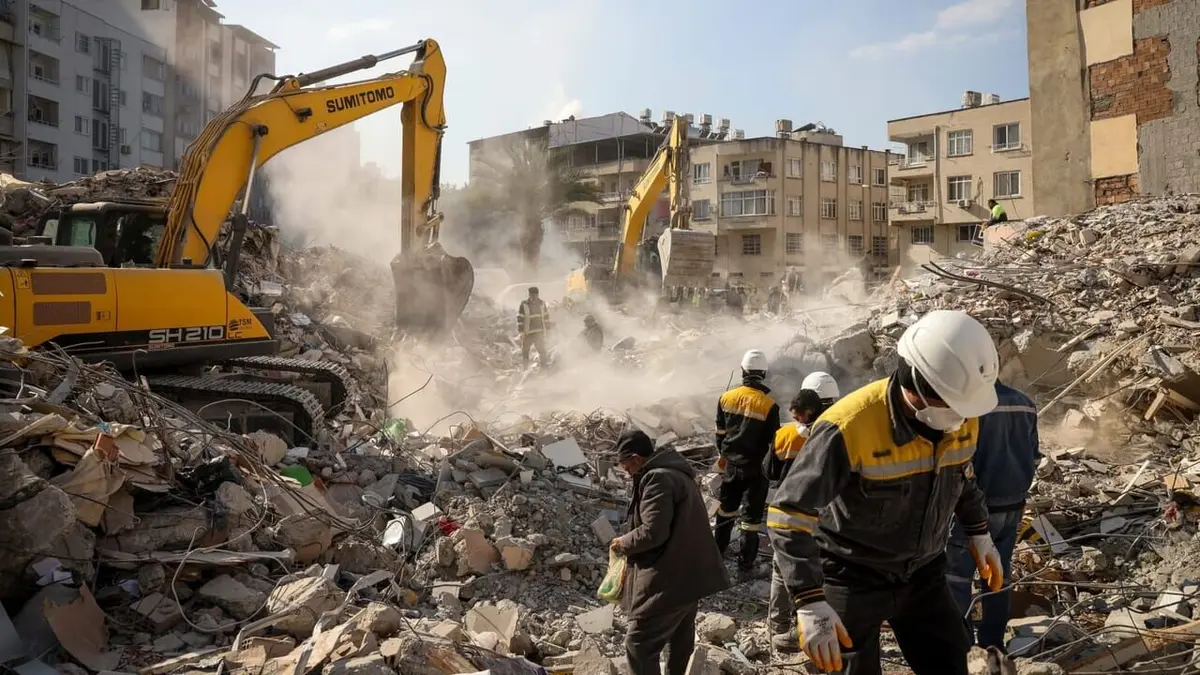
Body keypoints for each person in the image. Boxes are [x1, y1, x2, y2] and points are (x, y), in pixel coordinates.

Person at [767, 310, 1005, 675]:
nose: (961, 418)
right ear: (916, 386)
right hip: (852, 576)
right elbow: (787, 515)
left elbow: (961, 475)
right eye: (952, 406)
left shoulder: (963, 412)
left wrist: (979, 531)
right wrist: (809, 599)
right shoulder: (849, 427)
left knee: (953, 662)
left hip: (923, 574)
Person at [611, 429, 730, 675]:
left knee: (640, 646)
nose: (624, 470)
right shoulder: (676, 474)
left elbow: (654, 532)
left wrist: (623, 542)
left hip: (669, 578)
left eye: (625, 464)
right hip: (688, 577)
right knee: (679, 642)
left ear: (636, 458)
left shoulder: (658, 479)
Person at [946, 381, 1039, 649]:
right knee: (998, 574)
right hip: (1013, 504)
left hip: (974, 509)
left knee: (956, 577)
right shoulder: (1025, 402)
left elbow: (958, 462)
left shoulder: (970, 407)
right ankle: (993, 644)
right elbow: (1034, 456)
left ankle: (960, 648)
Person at [765, 372, 841, 654]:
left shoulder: (785, 434)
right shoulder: (840, 431)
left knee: (781, 570)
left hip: (788, 516)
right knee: (822, 574)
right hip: (826, 517)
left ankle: (778, 629)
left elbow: (768, 471)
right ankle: (817, 633)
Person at [714, 349, 781, 573]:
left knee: (725, 511)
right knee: (751, 520)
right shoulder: (769, 405)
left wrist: (724, 455)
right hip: (756, 469)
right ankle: (746, 564)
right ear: (763, 373)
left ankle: (716, 554)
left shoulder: (726, 398)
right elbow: (774, 442)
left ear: (743, 371)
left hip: (732, 465)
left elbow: (720, 433)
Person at [517, 286, 551, 367]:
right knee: (525, 352)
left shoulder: (542, 304)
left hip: (539, 333)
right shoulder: (524, 304)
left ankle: (544, 367)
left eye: (535, 295)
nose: (533, 297)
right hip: (528, 333)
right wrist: (521, 332)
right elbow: (520, 319)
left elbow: (546, 316)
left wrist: (548, 328)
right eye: (532, 295)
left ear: (537, 295)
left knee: (542, 351)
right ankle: (525, 369)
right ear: (529, 295)